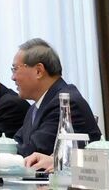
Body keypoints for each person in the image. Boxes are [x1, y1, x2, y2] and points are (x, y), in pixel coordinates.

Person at [11, 38, 101, 169]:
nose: (13, 77)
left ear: (38, 71)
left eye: (15, 69)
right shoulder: (35, 107)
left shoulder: (66, 102)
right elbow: (16, 144)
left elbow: (33, 152)